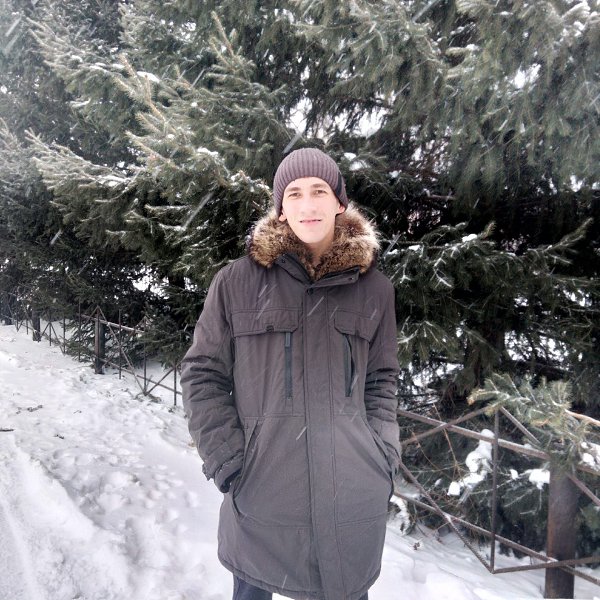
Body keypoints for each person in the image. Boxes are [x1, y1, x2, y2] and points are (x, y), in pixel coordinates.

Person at [181, 148, 401, 600]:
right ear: (281, 208)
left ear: (339, 201)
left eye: (319, 191)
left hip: (350, 503)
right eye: (294, 193)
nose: (308, 204)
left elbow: (382, 379)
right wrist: (228, 461)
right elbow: (202, 373)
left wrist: (383, 457)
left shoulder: (375, 290)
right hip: (261, 497)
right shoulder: (237, 282)